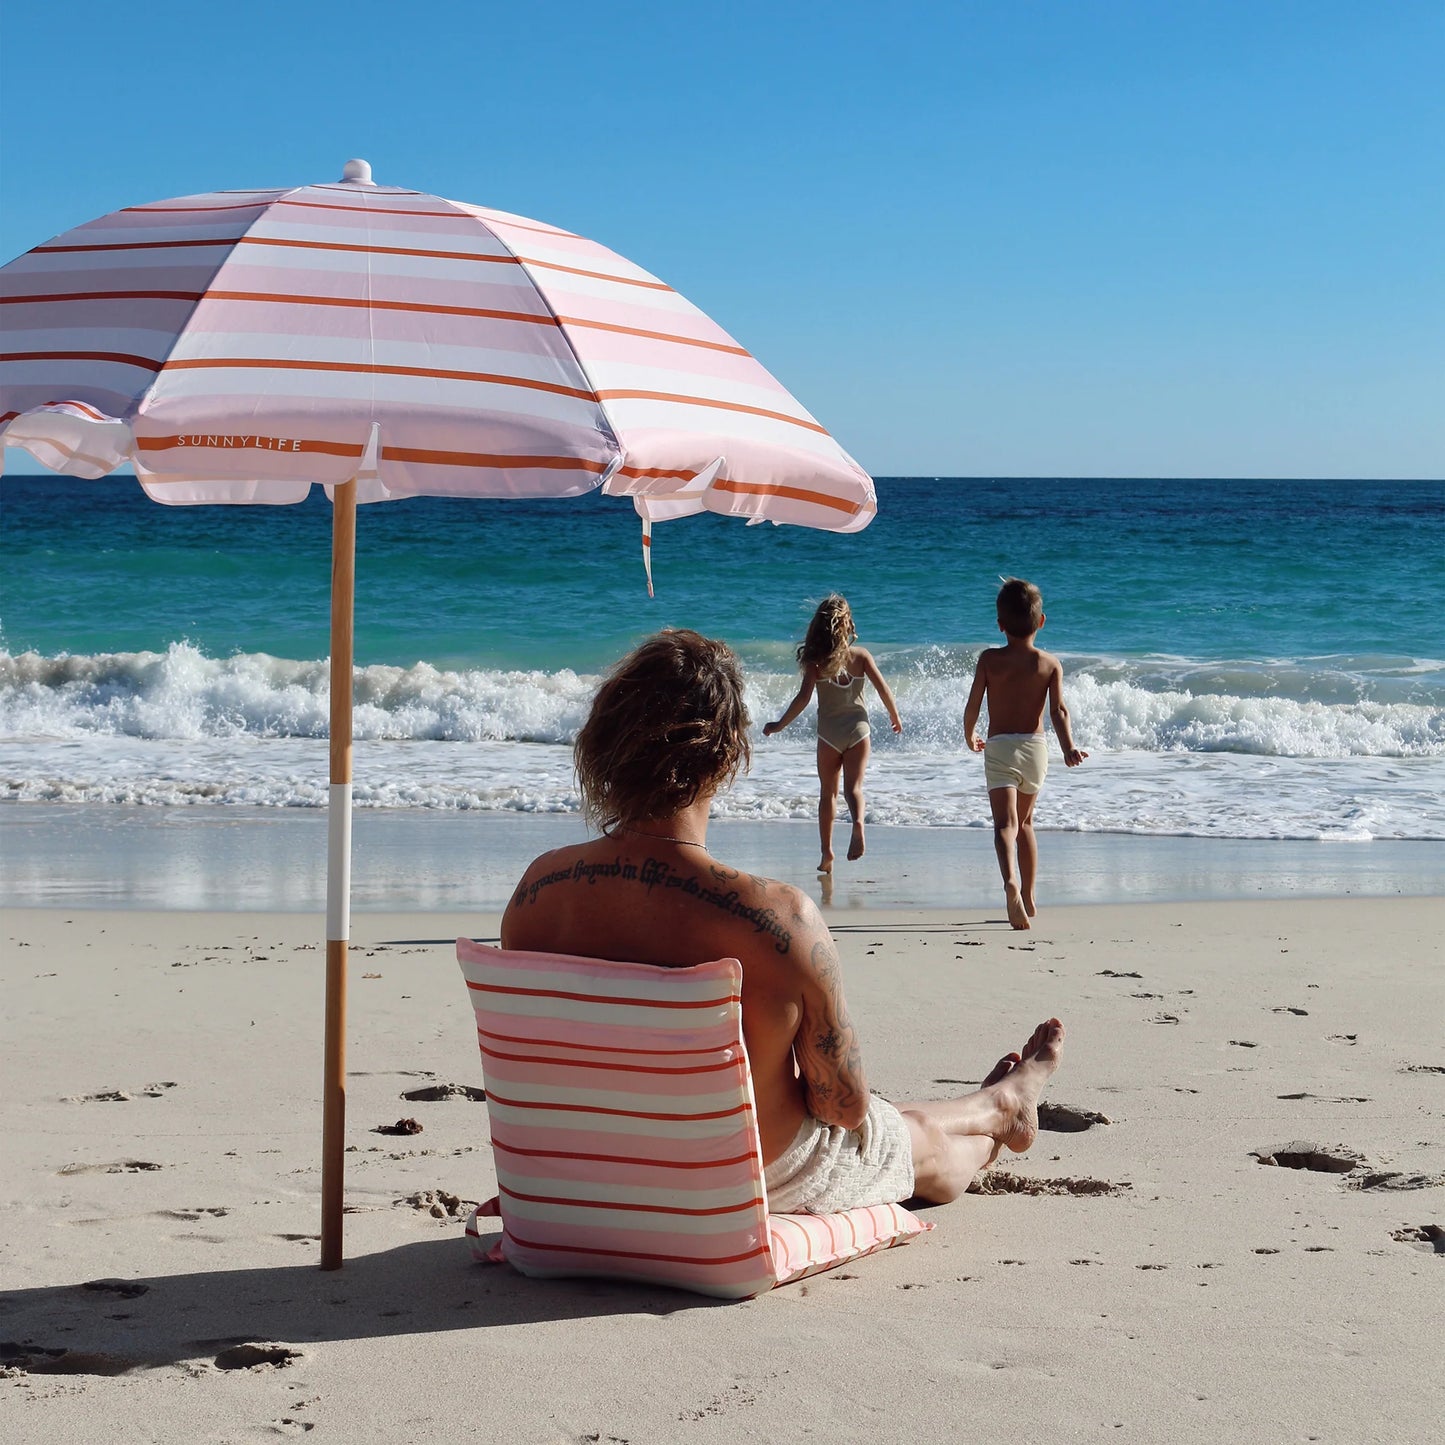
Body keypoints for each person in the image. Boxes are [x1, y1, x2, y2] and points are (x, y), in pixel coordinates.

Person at [502, 628, 1064, 1213]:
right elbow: (843, 1108)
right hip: (735, 1181)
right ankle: (1002, 1110)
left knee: (894, 1124)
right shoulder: (777, 922)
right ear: (726, 756)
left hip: (582, 1176)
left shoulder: (535, 894)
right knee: (896, 1139)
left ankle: (999, 1103)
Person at [963, 578, 1088, 931]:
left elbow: (973, 703)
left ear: (1000, 624)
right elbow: (1059, 712)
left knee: (1005, 824)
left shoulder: (989, 660)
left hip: (1000, 746)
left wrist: (969, 733)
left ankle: (1011, 884)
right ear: (1042, 621)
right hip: (1035, 750)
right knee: (1026, 823)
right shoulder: (1049, 664)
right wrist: (1068, 748)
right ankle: (1030, 897)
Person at [762, 595, 902, 874]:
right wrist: (894, 715)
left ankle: (827, 854)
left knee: (828, 794)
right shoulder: (861, 657)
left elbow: (802, 700)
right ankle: (858, 823)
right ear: (847, 625)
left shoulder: (815, 663)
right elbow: (883, 688)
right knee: (854, 788)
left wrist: (779, 725)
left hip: (828, 735)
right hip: (859, 731)